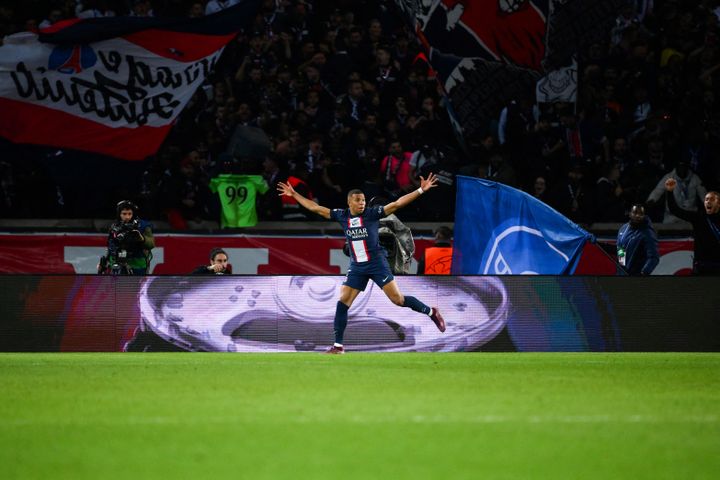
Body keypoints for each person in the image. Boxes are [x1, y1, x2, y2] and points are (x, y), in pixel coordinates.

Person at [277, 173, 446, 354]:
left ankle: (431, 312)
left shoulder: (372, 214)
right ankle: (338, 346)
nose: (362, 203)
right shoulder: (342, 216)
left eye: (363, 200)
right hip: (358, 267)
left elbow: (397, 204)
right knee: (343, 302)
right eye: (358, 200)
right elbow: (316, 208)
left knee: (398, 300)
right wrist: (294, 194)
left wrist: (421, 189)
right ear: (349, 202)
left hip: (377, 264)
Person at [665, 178, 720, 274]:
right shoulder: (698, 217)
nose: (708, 202)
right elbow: (675, 210)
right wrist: (669, 192)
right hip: (701, 266)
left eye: (712, 199)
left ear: (719, 204)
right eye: (706, 199)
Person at [99, 200, 154, 275]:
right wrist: (104, 263)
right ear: (119, 214)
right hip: (116, 265)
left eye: (129, 214)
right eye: (124, 214)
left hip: (137, 266)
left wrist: (142, 239)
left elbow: (151, 244)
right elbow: (110, 245)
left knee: (133, 286)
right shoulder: (114, 227)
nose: (127, 217)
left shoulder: (143, 226)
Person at [615, 204, 659, 276]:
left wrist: (643, 273)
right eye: (635, 213)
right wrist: (621, 268)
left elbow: (654, 257)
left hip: (637, 278)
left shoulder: (648, 233)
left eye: (641, 214)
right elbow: (620, 248)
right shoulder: (623, 228)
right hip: (622, 276)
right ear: (630, 214)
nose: (638, 215)